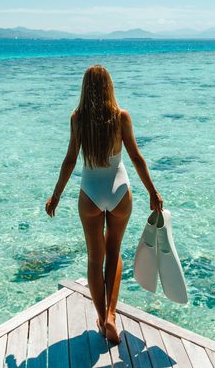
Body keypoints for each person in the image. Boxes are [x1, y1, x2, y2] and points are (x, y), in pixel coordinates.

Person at [45, 65, 163, 345]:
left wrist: (56, 195)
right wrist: (152, 191)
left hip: (90, 194)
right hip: (120, 191)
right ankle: (111, 314)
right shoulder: (121, 117)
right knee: (115, 253)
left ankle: (100, 318)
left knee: (94, 259)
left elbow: (70, 160)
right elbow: (136, 158)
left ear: (85, 88)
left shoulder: (78, 118)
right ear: (109, 86)